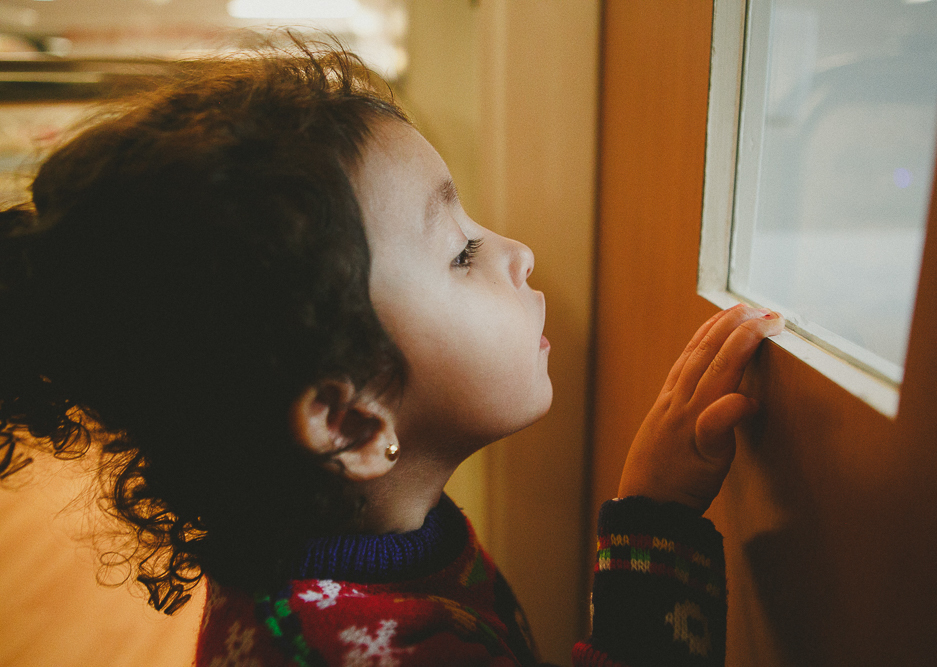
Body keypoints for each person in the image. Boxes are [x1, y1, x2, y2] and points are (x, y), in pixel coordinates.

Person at [0, 42, 783, 667]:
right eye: (461, 252)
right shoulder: (379, 652)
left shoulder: (319, 551)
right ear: (349, 419)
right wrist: (657, 520)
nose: (519, 252)